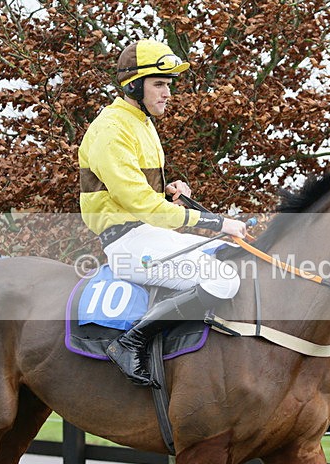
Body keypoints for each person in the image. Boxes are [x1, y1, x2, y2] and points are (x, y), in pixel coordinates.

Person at [78, 39, 247, 387]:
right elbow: (142, 205)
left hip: (145, 235)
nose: (168, 93)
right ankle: (131, 343)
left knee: (231, 255)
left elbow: (141, 196)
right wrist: (217, 221)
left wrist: (170, 193)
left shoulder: (140, 122)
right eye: (159, 84)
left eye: (168, 85)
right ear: (134, 85)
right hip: (128, 246)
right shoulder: (112, 129)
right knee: (223, 279)